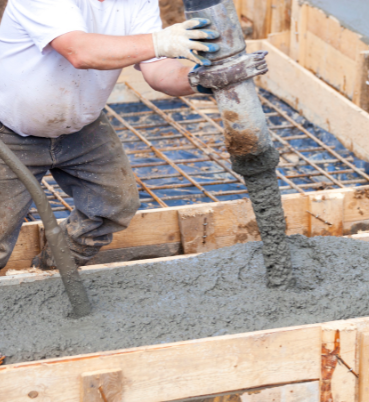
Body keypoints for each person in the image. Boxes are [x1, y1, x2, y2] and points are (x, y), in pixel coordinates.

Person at [0, 0, 262, 270]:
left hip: (81, 127)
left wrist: (199, 78)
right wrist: (159, 41)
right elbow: (79, 51)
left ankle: (52, 273)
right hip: (9, 132)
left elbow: (158, 70)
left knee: (113, 204)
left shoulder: (137, 2)